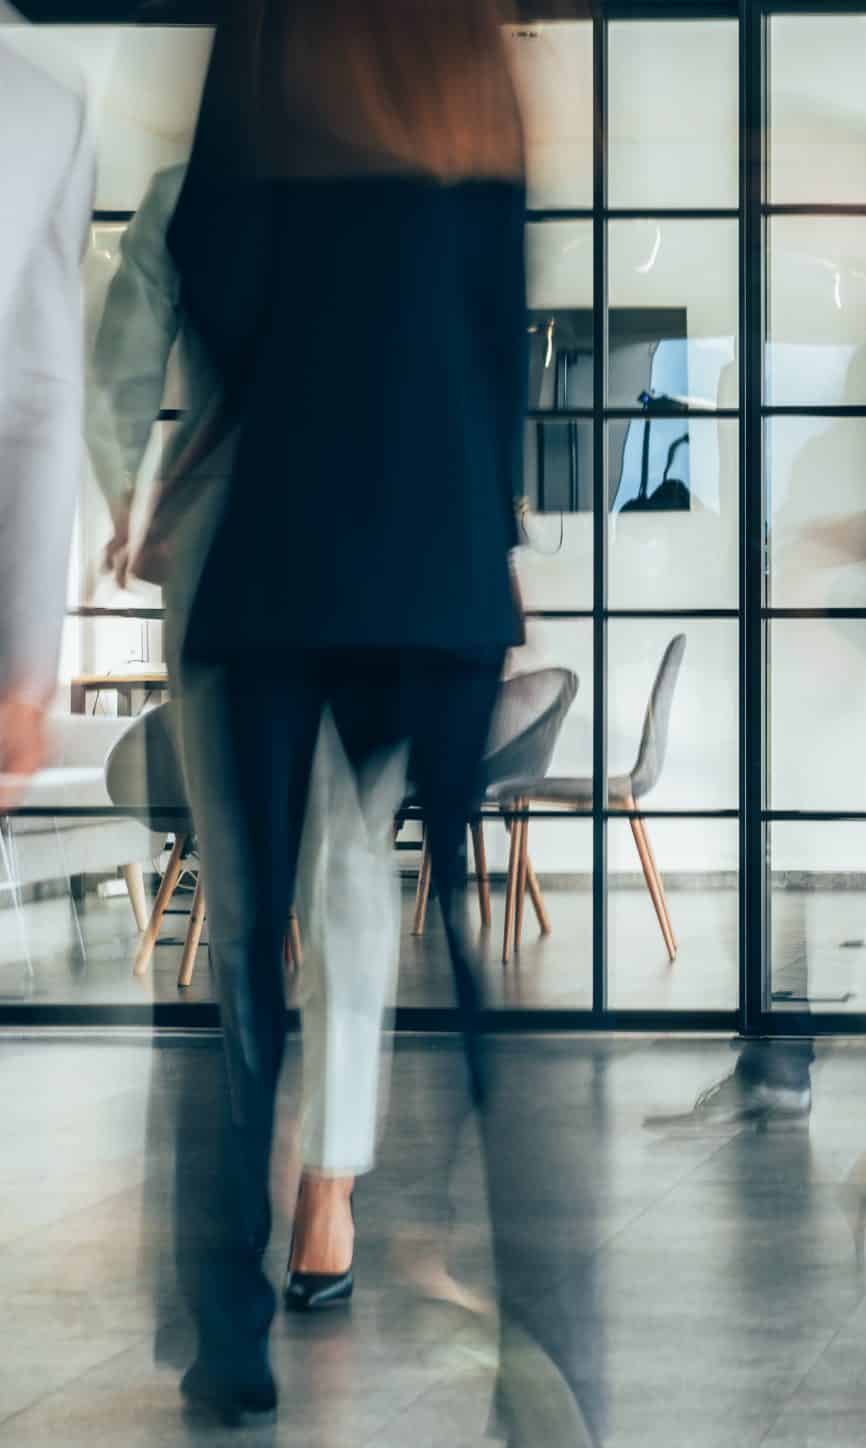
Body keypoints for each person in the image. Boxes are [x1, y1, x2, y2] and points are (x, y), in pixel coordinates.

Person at [163, 0, 599, 1433]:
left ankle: (232, 1342)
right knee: (460, 945)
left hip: (286, 544)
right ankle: (542, 1334)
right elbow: (501, 322)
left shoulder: (273, 34)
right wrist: (493, 530)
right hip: (441, 560)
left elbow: (208, 272)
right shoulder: (473, 53)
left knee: (248, 969)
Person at [88, 158, 407, 1314]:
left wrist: (130, 497)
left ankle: (320, 1175)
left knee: (312, 887)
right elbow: (122, 358)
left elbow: (118, 365)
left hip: (315, 552)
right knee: (301, 888)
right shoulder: (202, 189)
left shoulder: (227, 186)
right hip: (314, 553)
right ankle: (306, 1175)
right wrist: (126, 492)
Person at [0, 32, 92, 814]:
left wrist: (25, 676)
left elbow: (42, 402)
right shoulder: (40, 107)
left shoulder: (41, 108)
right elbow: (41, 400)